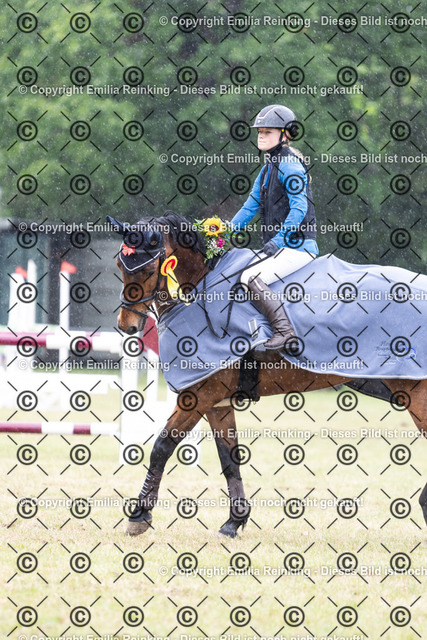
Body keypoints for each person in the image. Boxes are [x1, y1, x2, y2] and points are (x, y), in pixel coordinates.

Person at [231, 104, 318, 351]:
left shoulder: (289, 165)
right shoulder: (267, 168)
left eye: (267, 131)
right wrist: (219, 234)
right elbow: (249, 208)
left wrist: (278, 240)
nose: (260, 135)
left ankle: (284, 332)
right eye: (259, 131)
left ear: (285, 134)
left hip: (298, 247)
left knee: (251, 277)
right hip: (282, 248)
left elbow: (299, 209)